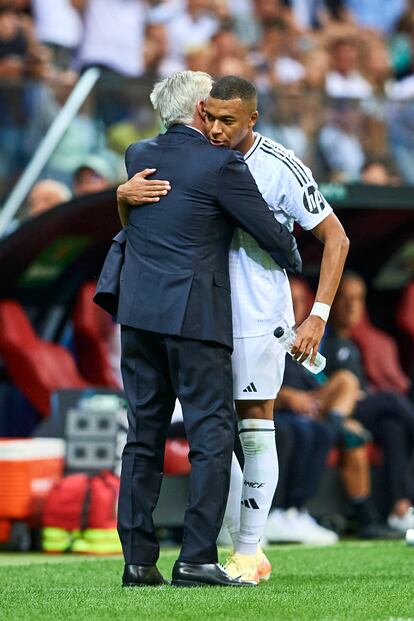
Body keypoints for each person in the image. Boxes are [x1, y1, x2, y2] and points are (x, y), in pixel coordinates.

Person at [117, 74, 349, 582]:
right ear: (200, 112)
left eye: (228, 121)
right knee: (210, 432)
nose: (218, 129)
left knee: (250, 424)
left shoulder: (281, 165)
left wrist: (319, 314)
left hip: (255, 315)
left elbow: (336, 238)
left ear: (252, 119)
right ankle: (230, 546)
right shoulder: (192, 157)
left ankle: (246, 553)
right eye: (212, 118)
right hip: (199, 313)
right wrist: (120, 196)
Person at [267, 277, 399, 542]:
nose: (294, 306)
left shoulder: (305, 340)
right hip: (276, 407)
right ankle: (278, 512)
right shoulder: (267, 335)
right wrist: (287, 396)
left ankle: (296, 511)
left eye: (300, 301)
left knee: (332, 419)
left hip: (311, 406)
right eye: (290, 300)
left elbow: (320, 381)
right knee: (305, 428)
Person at [323, 272, 414, 531]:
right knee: (391, 401)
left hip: (360, 410)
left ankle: (400, 506)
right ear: (332, 301)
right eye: (345, 298)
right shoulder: (323, 341)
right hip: (337, 413)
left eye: (358, 299)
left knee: (394, 427)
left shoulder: (352, 344)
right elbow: (317, 386)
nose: (352, 305)